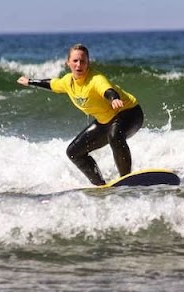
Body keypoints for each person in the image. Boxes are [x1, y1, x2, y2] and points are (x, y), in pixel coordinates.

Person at [17, 43, 144, 186]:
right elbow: (52, 84)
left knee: (114, 135)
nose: (79, 65)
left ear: (88, 63)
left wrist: (114, 98)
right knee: (74, 152)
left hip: (129, 113)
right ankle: (101, 185)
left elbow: (106, 90)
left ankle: (127, 180)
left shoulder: (95, 79)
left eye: (83, 61)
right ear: (68, 63)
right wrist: (30, 81)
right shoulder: (67, 81)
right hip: (105, 120)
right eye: (75, 61)